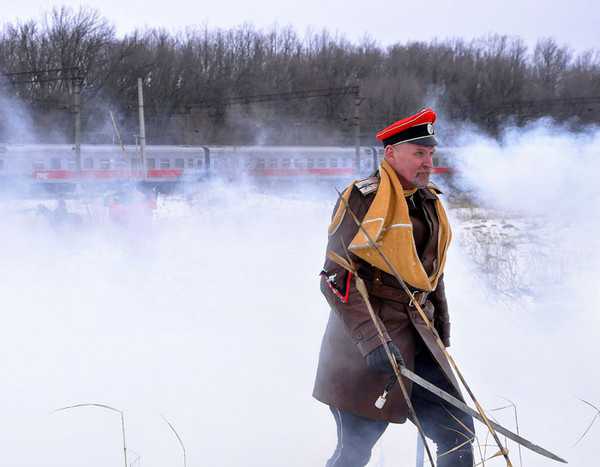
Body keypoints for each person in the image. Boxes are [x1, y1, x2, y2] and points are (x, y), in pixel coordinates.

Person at [313, 109, 474, 466]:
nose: (428, 162)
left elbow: (430, 274)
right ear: (391, 154)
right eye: (419, 153)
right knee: (355, 449)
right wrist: (373, 341)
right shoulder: (364, 198)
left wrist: (440, 334)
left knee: (458, 434)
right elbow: (335, 277)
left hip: (419, 338)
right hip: (367, 344)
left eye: (430, 154)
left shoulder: (429, 200)